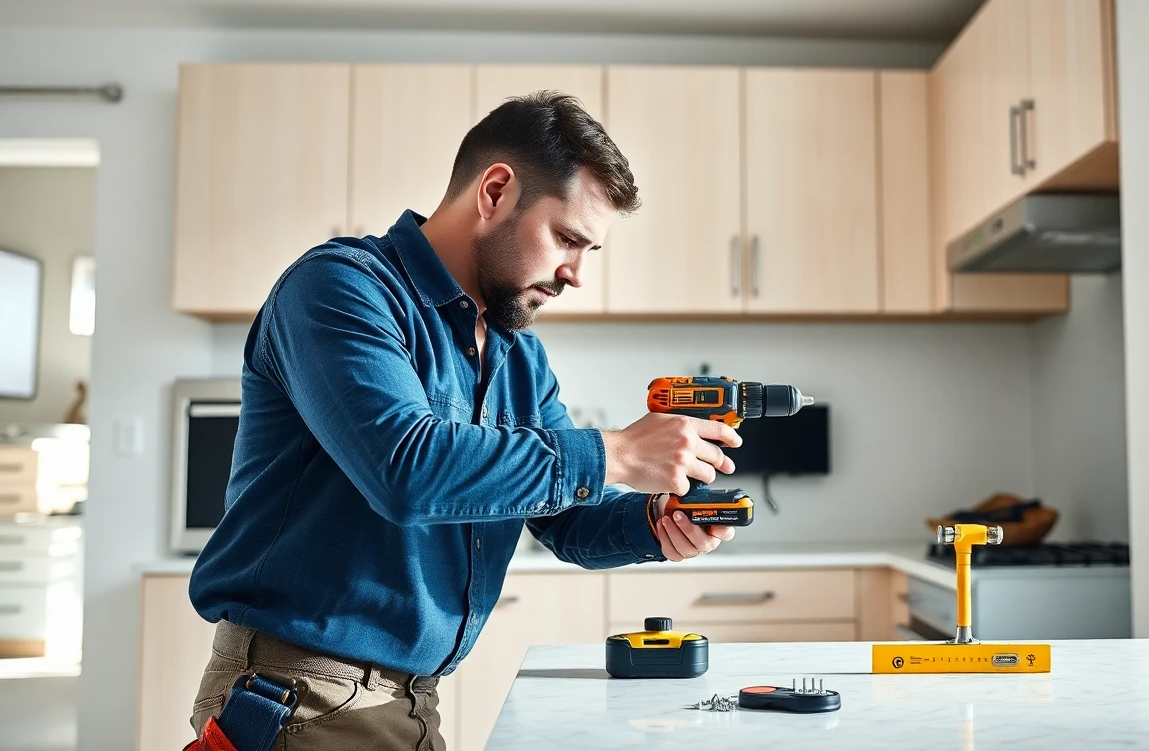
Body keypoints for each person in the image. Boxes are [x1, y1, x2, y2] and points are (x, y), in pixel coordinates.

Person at [186, 90, 741, 750]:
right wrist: (615, 452)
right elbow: (407, 470)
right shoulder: (341, 288)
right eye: (567, 239)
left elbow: (563, 520)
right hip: (301, 696)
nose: (576, 274)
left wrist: (654, 524)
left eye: (590, 250)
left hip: (409, 699)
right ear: (496, 191)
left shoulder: (516, 356)